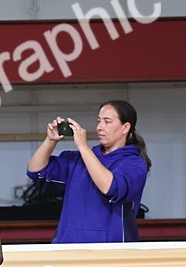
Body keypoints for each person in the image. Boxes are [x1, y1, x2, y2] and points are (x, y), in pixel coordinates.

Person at [26, 100, 151, 243]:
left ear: (125, 127)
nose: (99, 127)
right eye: (99, 121)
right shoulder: (78, 159)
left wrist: (83, 146)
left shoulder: (134, 164)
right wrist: (50, 141)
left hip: (110, 251)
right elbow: (35, 170)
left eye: (107, 121)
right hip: (68, 247)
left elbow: (110, 187)